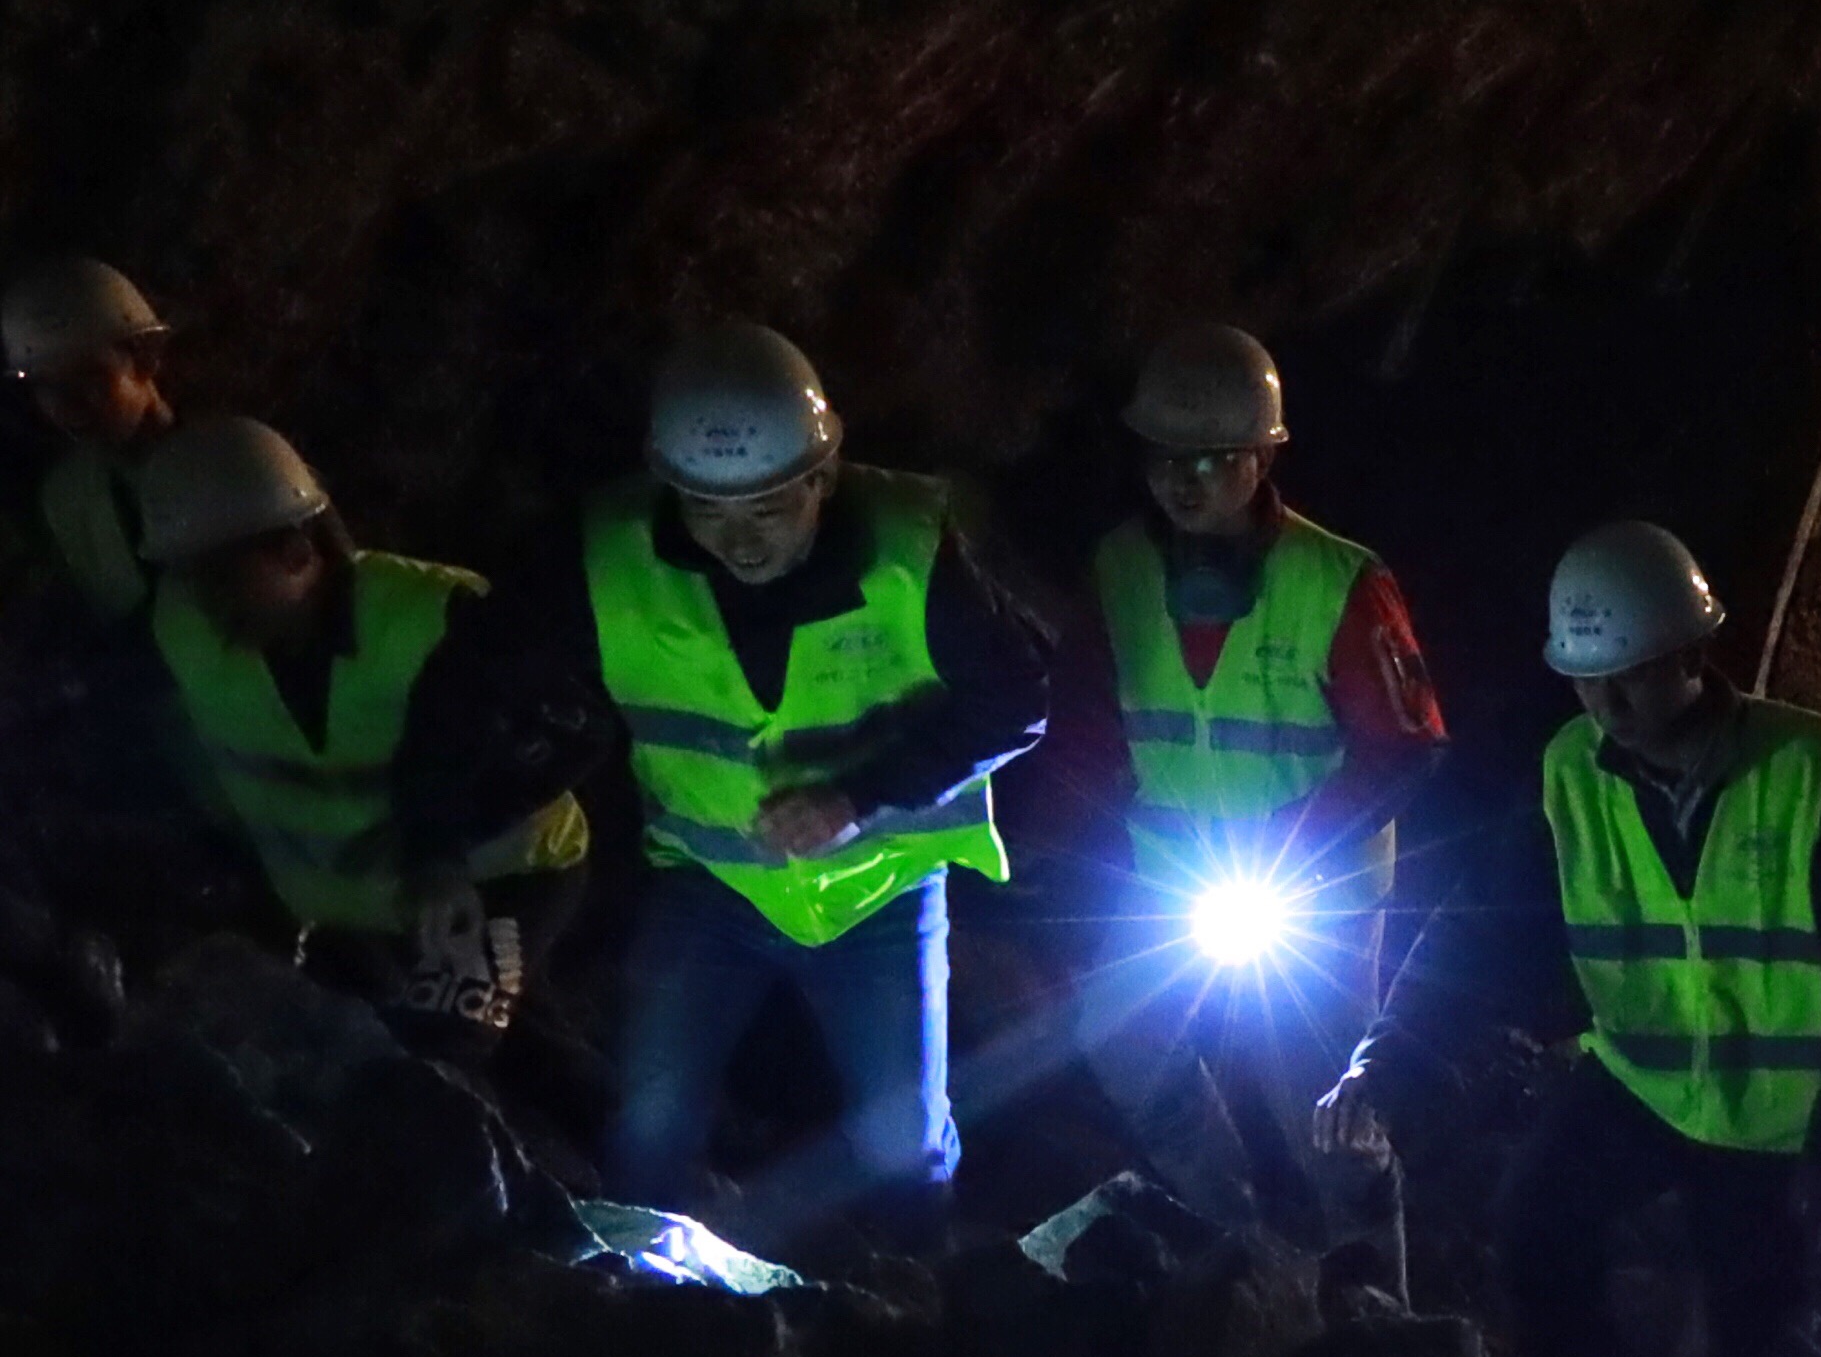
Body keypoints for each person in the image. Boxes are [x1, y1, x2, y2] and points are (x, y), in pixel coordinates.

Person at [403, 321, 1049, 1258]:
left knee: (899, 1136)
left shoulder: (911, 559)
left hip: (879, 892)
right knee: (652, 1120)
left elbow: (1016, 697)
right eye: (708, 511)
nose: (738, 540)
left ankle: (924, 1294)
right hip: (712, 889)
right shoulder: (611, 561)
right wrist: (432, 850)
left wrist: (857, 795)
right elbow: (468, 680)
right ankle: (640, 1293)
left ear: (821, 480)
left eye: (767, 508)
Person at [1317, 521, 1821, 1357]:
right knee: (1538, 1228)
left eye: (1627, 670)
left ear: (1694, 655)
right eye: (1585, 675)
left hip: (1771, 1117)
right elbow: (1476, 934)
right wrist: (1380, 1062)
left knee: (1758, 1338)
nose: (1605, 699)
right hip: (1639, 1082)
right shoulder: (1567, 775)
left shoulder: (1807, 768)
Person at [1070, 323, 1444, 1241]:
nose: (1183, 482)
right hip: (1170, 879)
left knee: (1319, 1106)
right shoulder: (1119, 569)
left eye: (1213, 460)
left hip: (1310, 895)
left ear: (1262, 458)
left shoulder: (1336, 580)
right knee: (1120, 1042)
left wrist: (1299, 847)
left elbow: (1409, 745)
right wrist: (1080, 838)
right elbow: (1081, 725)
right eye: (1165, 458)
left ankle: (1377, 1304)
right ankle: (1239, 1239)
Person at [110, 417, 588, 1047]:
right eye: (187, 574)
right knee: (473, 1051)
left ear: (296, 550)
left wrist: (442, 854)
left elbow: (574, 725)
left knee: (452, 1050)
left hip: (490, 884)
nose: (203, 598)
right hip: (349, 908)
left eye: (221, 573)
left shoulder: (438, 617)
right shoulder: (183, 629)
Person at [5, 258, 176, 635]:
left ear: (144, 359)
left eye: (89, 377)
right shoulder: (67, 498)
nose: (69, 405)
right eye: (47, 385)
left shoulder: (231, 462)